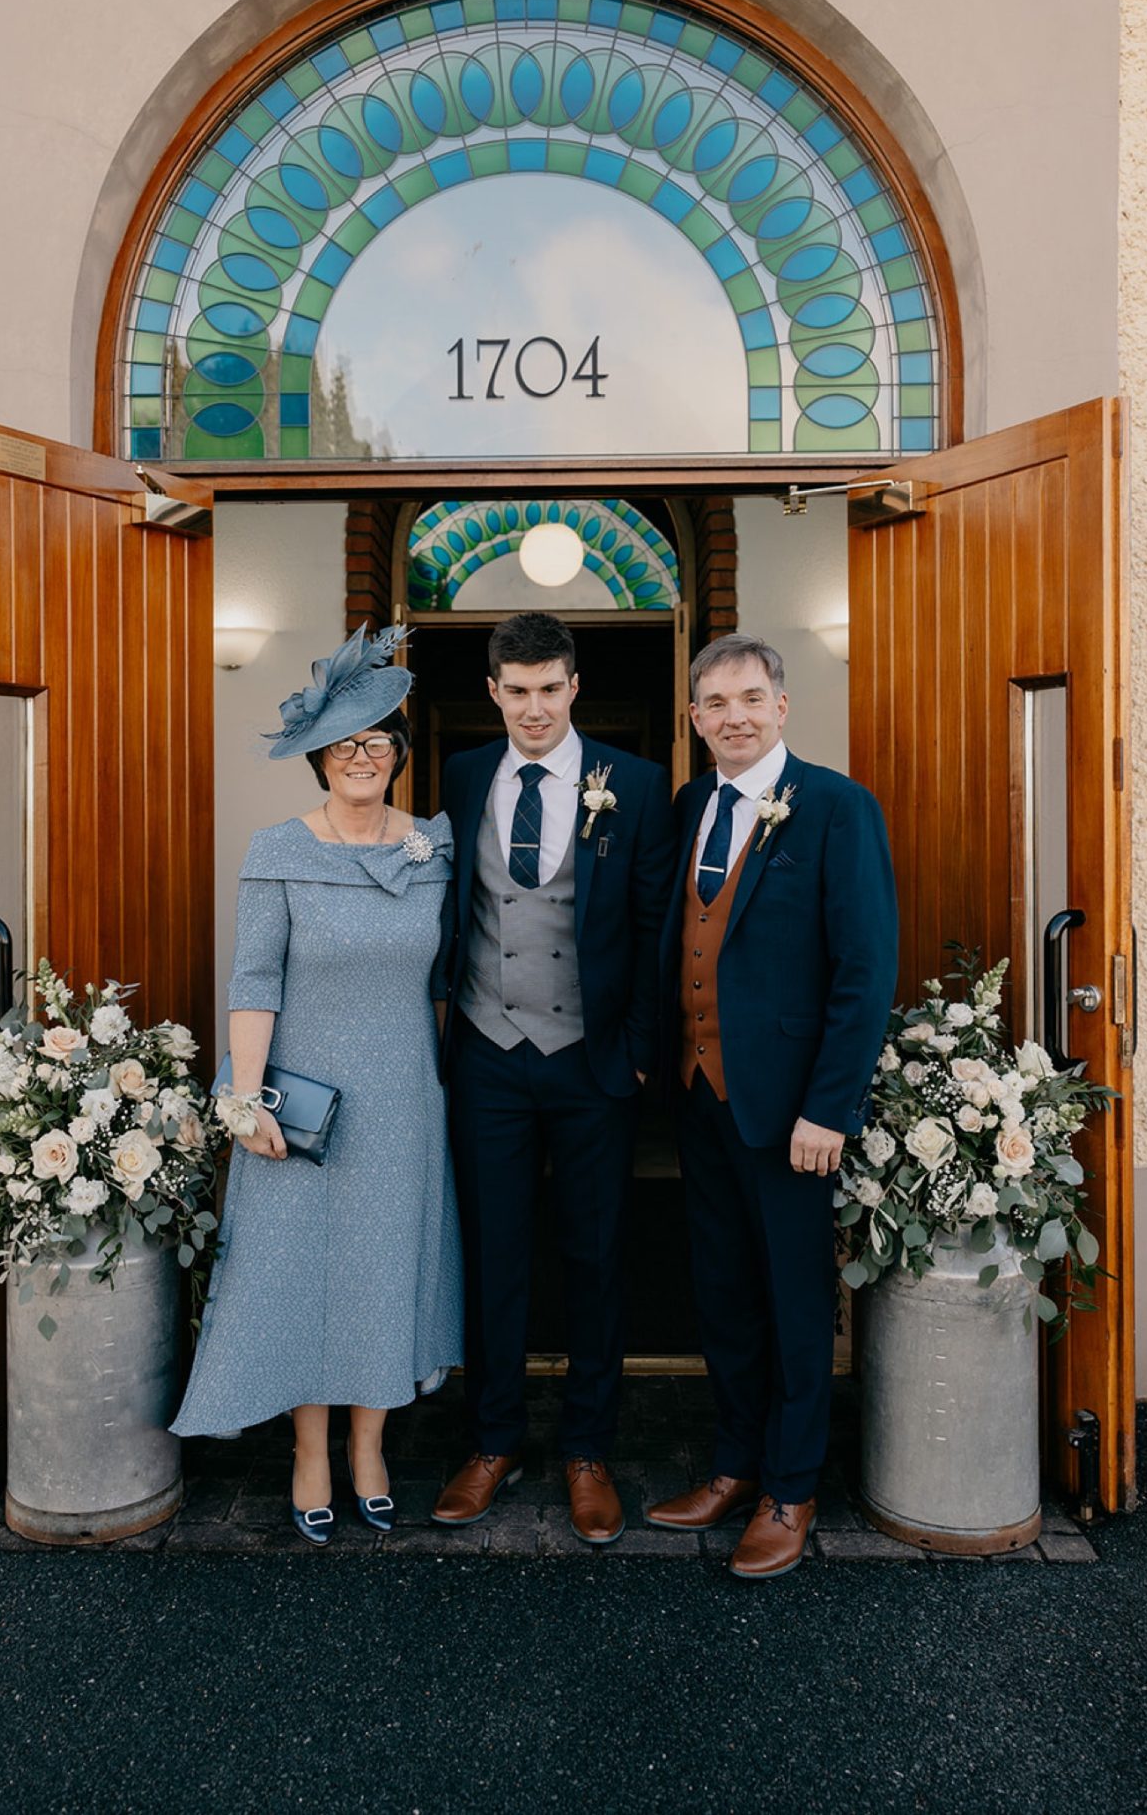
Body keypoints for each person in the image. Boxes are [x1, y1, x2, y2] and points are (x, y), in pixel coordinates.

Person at [170, 624, 463, 1545]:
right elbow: (253, 981)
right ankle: (309, 1451)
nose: (362, 759)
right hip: (298, 1104)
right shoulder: (277, 849)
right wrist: (245, 1096)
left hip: (403, 1102)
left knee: (383, 1270)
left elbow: (457, 974)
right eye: (344, 747)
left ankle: (371, 1445)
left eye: (378, 744)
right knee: (299, 1273)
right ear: (320, 762)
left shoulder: (433, 851)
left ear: (400, 757)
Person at [644, 632, 897, 1578]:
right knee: (724, 1296)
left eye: (749, 698)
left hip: (794, 1114)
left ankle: (792, 1488)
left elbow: (862, 971)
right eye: (713, 704)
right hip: (704, 1100)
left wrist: (828, 1108)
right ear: (695, 719)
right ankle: (734, 1466)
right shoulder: (692, 804)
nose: (732, 717)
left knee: (794, 1305)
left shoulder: (835, 808)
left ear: (781, 706)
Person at [431, 611, 673, 1546]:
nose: (533, 707)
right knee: (493, 1255)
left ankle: (586, 1450)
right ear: (492, 691)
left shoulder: (639, 785)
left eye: (549, 688)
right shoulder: (458, 779)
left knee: (596, 1256)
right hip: (486, 1057)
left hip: (590, 1057)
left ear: (574, 687)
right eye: (515, 690)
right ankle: (491, 1440)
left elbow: (655, 929)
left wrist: (641, 1048)